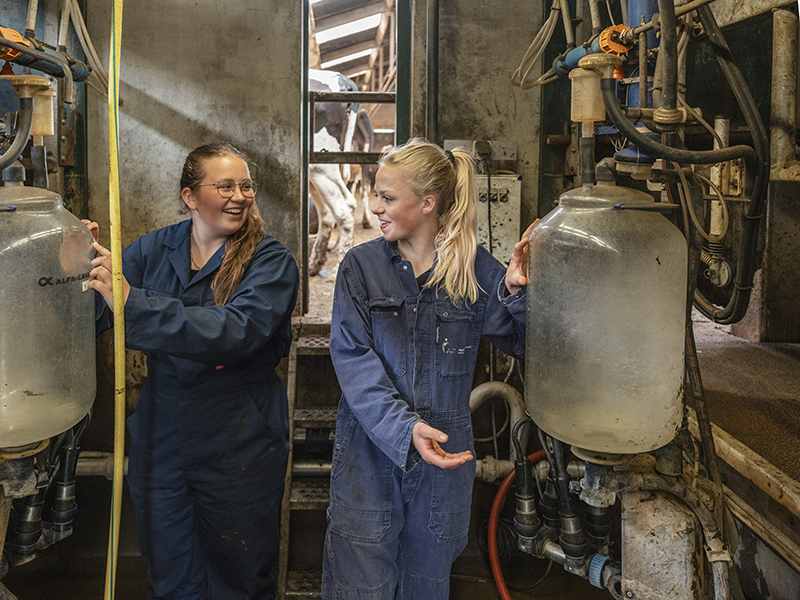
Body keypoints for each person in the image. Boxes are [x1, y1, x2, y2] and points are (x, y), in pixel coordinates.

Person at [322, 138, 534, 599]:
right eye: (376, 194)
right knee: (360, 587)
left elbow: (526, 345)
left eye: (387, 197)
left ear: (428, 203)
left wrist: (517, 293)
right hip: (369, 451)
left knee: (426, 584)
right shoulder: (360, 268)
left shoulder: (475, 270)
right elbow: (354, 361)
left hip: (444, 454)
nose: (374, 206)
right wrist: (405, 429)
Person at [88, 142, 299, 600]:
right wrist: (76, 263)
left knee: (238, 572)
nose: (239, 195)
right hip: (162, 433)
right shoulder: (153, 249)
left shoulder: (270, 261)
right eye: (225, 185)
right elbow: (98, 313)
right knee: (169, 571)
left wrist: (132, 302)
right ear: (189, 196)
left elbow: (236, 331)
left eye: (246, 185)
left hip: (238, 434)